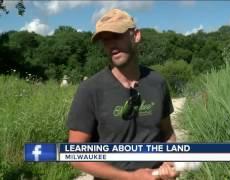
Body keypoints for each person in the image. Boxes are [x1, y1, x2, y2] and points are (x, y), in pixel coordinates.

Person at [67, 8, 179, 180]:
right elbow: (76, 155)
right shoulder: (90, 90)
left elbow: (167, 134)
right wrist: (129, 177)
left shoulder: (158, 83)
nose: (111, 45)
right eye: (105, 40)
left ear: (136, 36)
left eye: (117, 36)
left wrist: (170, 163)